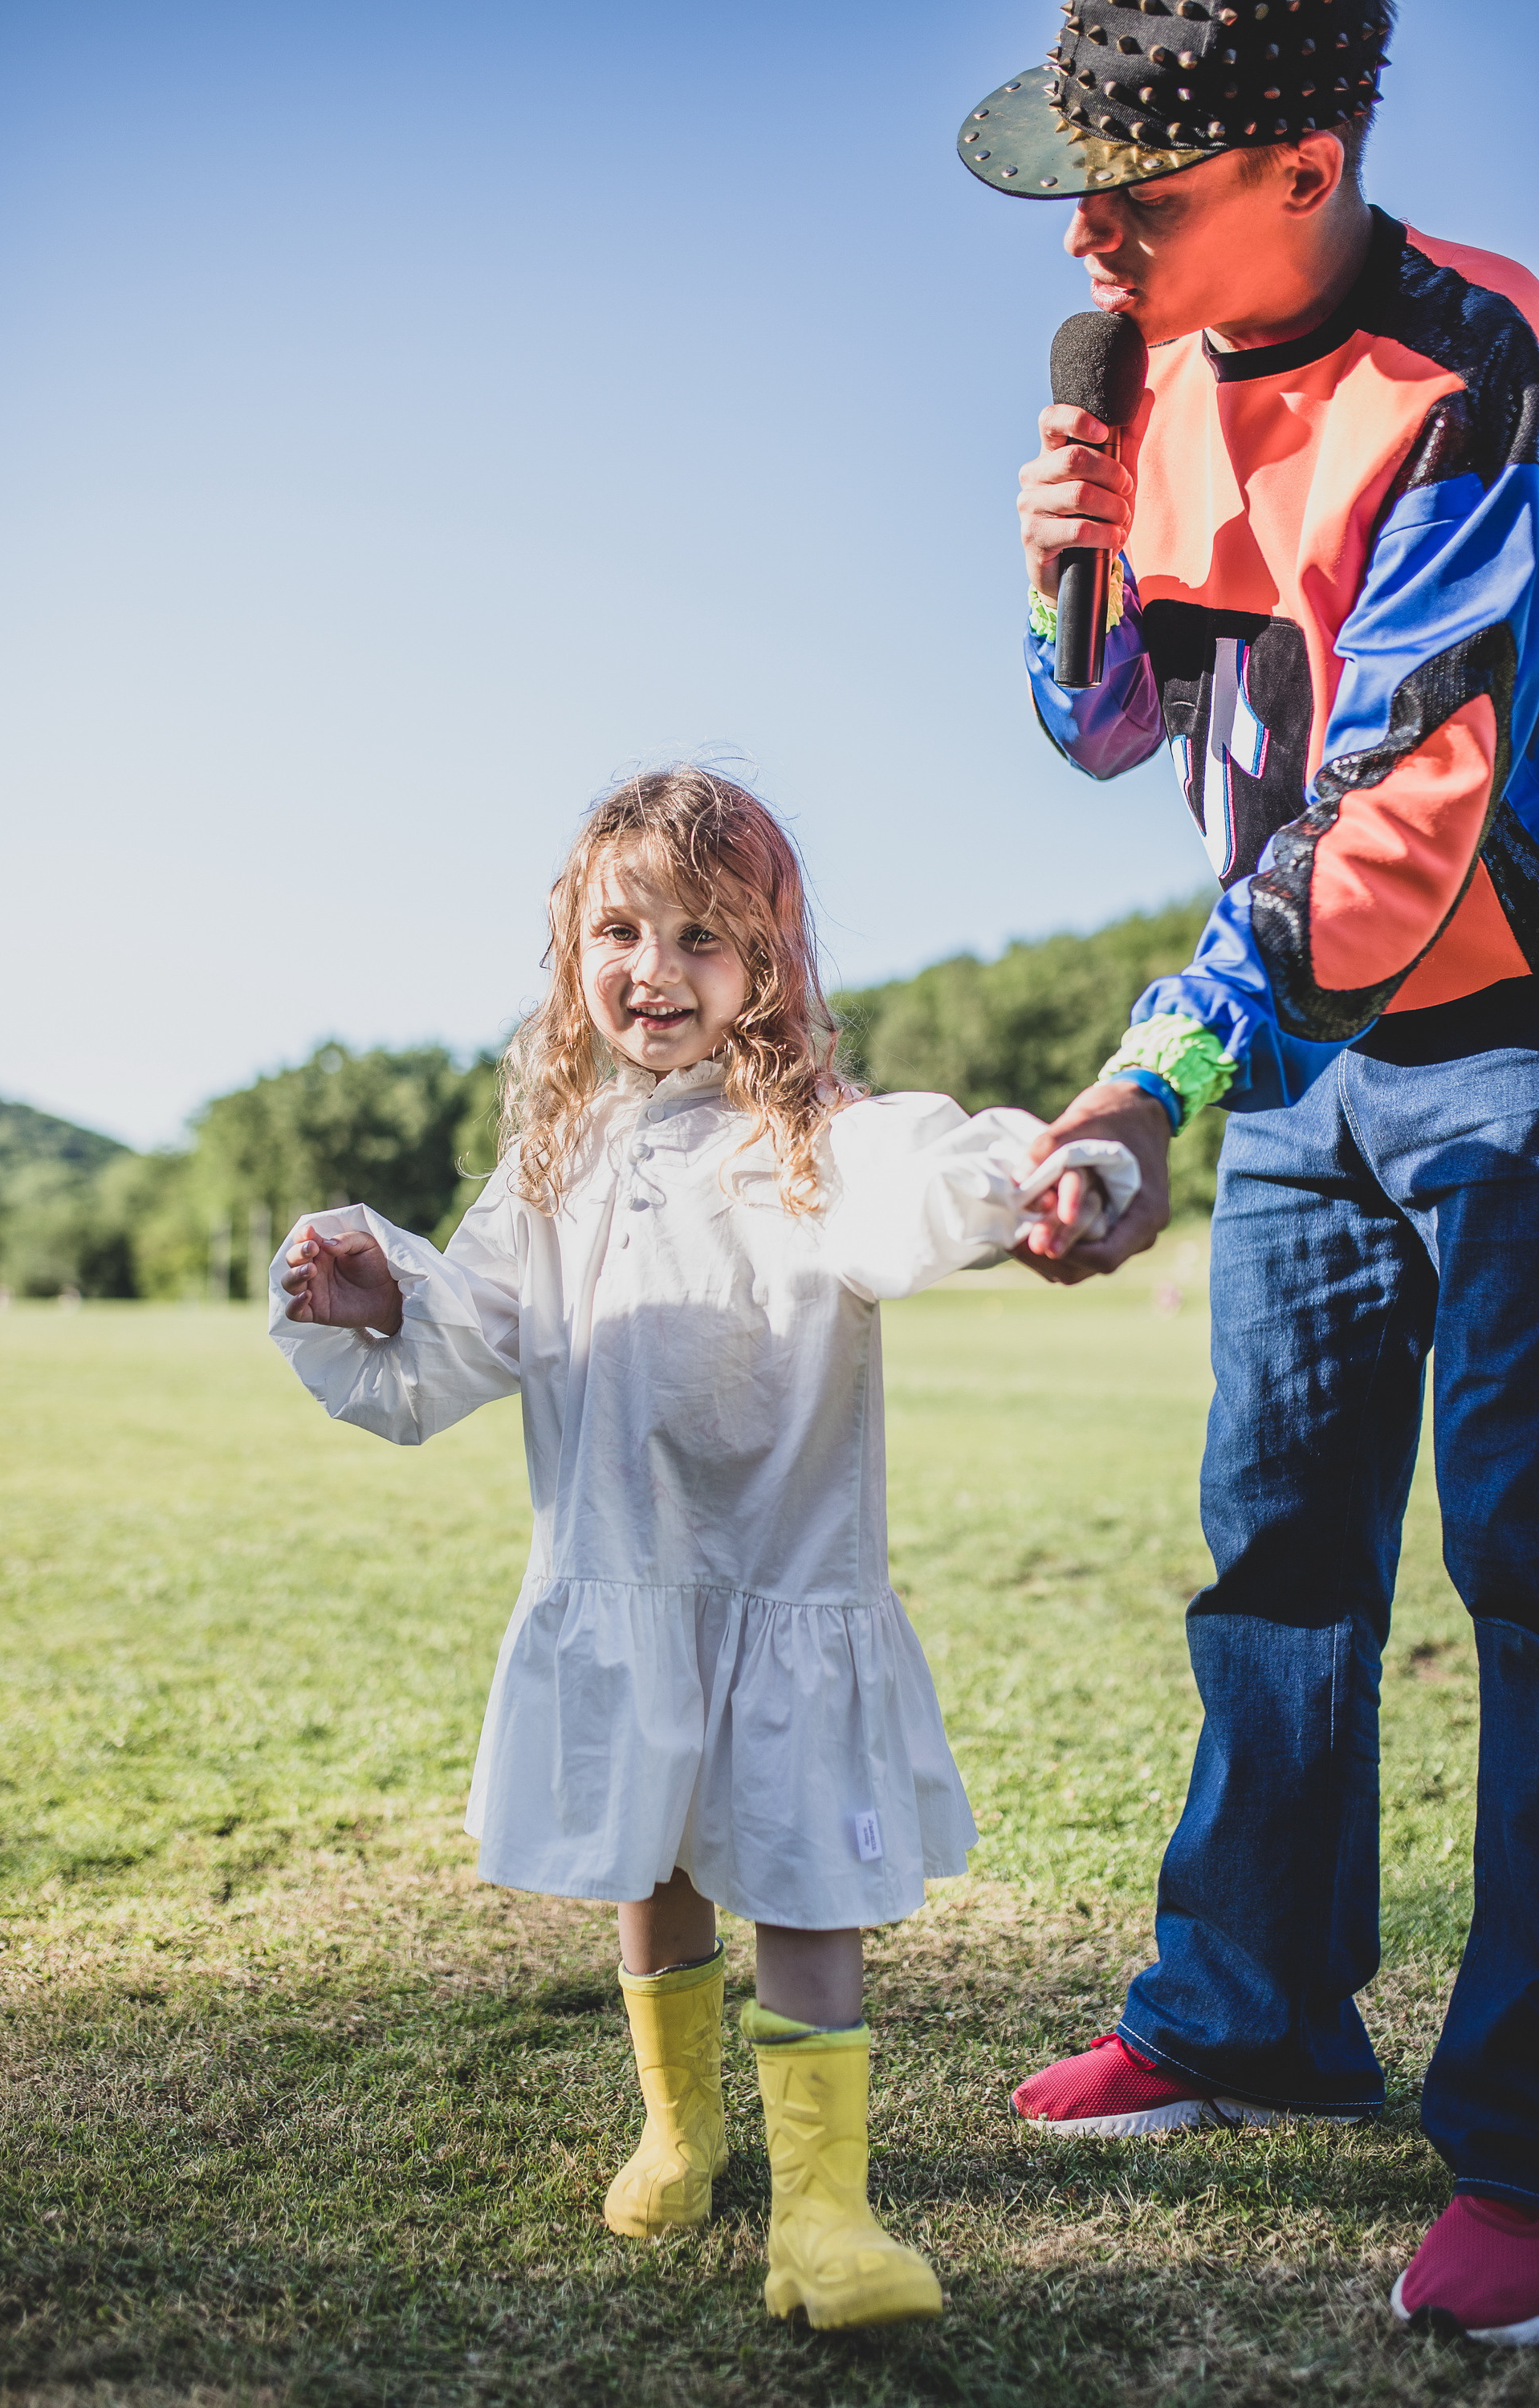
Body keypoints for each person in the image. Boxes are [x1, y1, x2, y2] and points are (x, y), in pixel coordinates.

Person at [957, 0, 1539, 2347]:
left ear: (1304, 165)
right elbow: (1114, 732)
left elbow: (1390, 810)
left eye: (1141, 194)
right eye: (1077, 187)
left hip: (1505, 1051)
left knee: (1527, 1578)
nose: (1087, 242)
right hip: (1305, 1075)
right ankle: (1248, 2014)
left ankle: (1525, 2145)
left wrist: (1147, 1079)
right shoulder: (1151, 373)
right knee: (1277, 1555)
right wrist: (1059, 575)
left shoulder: (1486, 369)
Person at [267, 767, 1137, 2331]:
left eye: (700, 936)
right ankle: (679, 2125)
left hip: (784, 1576)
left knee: (799, 1876)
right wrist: (381, 1292)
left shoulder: (816, 1137)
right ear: (573, 950)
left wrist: (1032, 1181)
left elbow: (929, 1179)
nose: (654, 970)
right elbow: (475, 1328)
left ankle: (824, 2211)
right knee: (652, 1855)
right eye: (620, 932)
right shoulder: (557, 1159)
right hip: (626, 1567)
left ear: (768, 963)